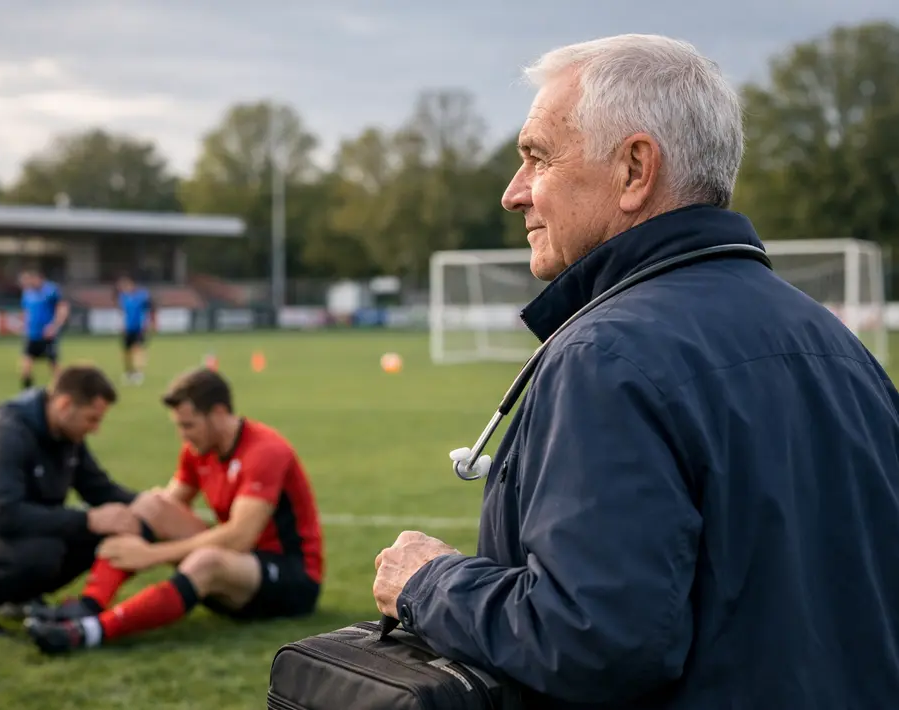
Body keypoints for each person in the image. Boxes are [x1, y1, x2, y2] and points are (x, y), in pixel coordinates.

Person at [370, 34, 899, 708]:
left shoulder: (604, 357)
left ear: (633, 170)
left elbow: (594, 641)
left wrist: (429, 582)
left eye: (536, 157)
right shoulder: (834, 341)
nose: (513, 193)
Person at [24, 367, 324, 654]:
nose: (183, 435)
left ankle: (89, 631)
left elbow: (239, 538)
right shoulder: (198, 450)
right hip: (240, 568)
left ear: (219, 414)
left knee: (207, 560)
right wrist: (134, 531)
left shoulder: (265, 450)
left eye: (188, 425)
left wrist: (149, 555)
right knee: (149, 504)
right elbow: (161, 509)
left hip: (291, 578)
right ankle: (88, 606)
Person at [0, 365, 143, 642]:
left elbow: (99, 489)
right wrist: (88, 520)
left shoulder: (67, 436)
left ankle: (16, 597)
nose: (95, 429)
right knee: (45, 551)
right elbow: (6, 515)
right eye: (91, 419)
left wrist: (147, 504)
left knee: (98, 532)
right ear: (64, 404)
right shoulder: (5, 434)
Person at [18, 268, 68, 390]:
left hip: (47, 335)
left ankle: (63, 388)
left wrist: (55, 326)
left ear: (40, 278)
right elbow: (26, 311)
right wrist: (23, 324)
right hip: (32, 334)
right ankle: (27, 391)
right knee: (26, 365)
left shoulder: (51, 290)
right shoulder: (27, 293)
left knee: (54, 364)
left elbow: (62, 308)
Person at [115, 274, 154, 385]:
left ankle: (138, 372)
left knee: (137, 349)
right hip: (128, 328)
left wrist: (149, 323)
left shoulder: (142, 296)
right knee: (126, 352)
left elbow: (149, 310)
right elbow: (123, 312)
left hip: (139, 328)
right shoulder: (123, 297)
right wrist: (122, 325)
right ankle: (129, 372)